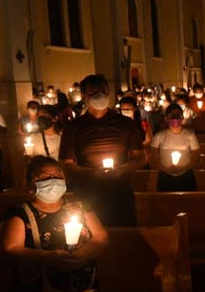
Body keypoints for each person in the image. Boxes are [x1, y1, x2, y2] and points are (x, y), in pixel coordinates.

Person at [0, 156, 108, 292]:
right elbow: (11, 248)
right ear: (31, 185)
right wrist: (49, 257)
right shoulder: (20, 213)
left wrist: (84, 253)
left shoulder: (79, 207)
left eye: (58, 176)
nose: (53, 181)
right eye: (44, 178)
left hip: (82, 282)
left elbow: (101, 236)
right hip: (38, 288)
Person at [59, 74, 147, 226]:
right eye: (93, 92)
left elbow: (141, 157)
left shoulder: (125, 123)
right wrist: (91, 173)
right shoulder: (74, 127)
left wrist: (120, 170)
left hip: (120, 191)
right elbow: (65, 163)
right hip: (88, 193)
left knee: (123, 233)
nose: (99, 95)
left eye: (103, 91)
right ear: (83, 96)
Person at [150, 104, 200, 192]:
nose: (175, 118)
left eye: (178, 115)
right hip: (165, 177)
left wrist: (182, 168)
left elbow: (196, 158)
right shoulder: (159, 136)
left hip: (186, 177)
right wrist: (166, 169)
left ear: (182, 117)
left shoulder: (190, 136)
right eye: (172, 115)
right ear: (166, 118)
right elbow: (153, 159)